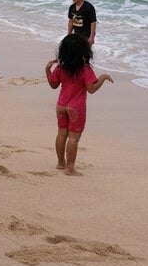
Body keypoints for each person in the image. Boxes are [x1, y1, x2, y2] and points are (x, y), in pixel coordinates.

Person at [45, 34, 113, 176]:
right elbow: (91, 89)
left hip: (61, 105)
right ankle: (70, 168)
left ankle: (60, 163)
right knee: (74, 138)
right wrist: (102, 78)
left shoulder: (60, 68)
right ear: (84, 52)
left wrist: (47, 71)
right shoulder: (85, 69)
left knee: (61, 134)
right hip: (76, 107)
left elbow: (53, 85)